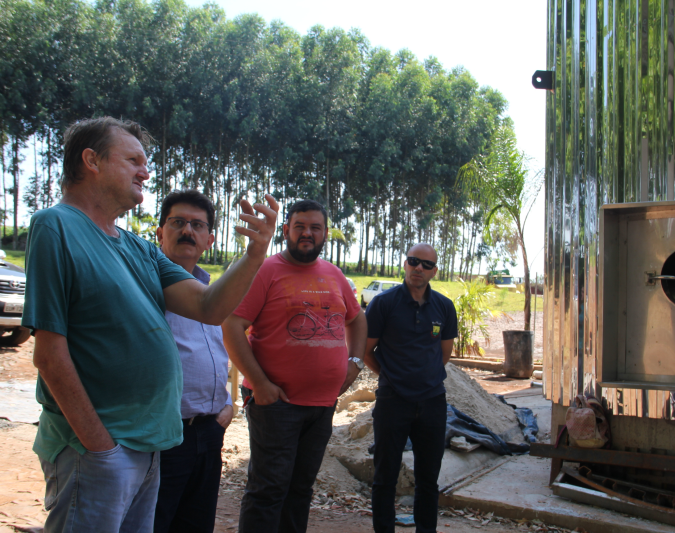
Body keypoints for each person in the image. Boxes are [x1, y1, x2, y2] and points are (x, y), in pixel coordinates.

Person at [22, 117, 279, 533]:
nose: (145, 172)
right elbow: (49, 355)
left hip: (149, 445)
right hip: (98, 448)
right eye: (134, 161)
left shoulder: (138, 248)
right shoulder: (56, 225)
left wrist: (254, 254)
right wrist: (100, 446)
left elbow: (210, 307)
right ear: (92, 161)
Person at [222, 199, 367, 533]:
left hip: (322, 406)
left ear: (325, 233)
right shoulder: (266, 271)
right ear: (286, 230)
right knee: (268, 490)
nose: (307, 233)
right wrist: (260, 383)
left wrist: (356, 363)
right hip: (276, 405)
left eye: (315, 227)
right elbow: (231, 326)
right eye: (299, 226)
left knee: (300, 490)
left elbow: (357, 319)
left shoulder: (334, 274)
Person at [152, 190, 234, 533]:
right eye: (178, 222)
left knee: (196, 525)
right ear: (160, 232)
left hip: (208, 433)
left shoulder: (210, 289)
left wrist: (227, 404)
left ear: (209, 240)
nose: (188, 230)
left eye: (197, 225)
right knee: (153, 523)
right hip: (162, 436)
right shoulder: (145, 284)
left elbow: (215, 352)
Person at [363, 243, 458, 533]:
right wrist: (391, 376)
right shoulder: (383, 303)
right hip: (393, 401)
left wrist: (424, 378)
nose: (419, 268)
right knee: (385, 477)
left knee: (428, 479)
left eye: (426, 264)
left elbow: (444, 354)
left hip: (432, 402)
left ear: (434, 271)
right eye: (414, 261)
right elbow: (366, 351)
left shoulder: (444, 307)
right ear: (405, 263)